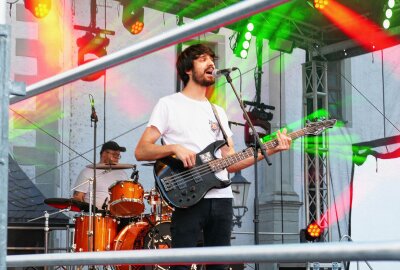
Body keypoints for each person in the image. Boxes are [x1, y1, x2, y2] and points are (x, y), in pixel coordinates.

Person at [134, 44, 292, 270]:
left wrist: (273, 147)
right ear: (188, 69)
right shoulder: (168, 104)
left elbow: (232, 161)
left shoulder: (218, 111)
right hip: (188, 195)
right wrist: (174, 148)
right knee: (181, 266)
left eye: (212, 59)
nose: (211, 63)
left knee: (218, 266)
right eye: (202, 59)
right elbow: (142, 150)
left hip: (222, 199)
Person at [73, 140, 128, 210]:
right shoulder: (88, 172)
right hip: (94, 216)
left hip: (116, 217)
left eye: (118, 155)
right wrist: (88, 213)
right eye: (114, 154)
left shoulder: (122, 173)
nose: (116, 157)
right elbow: (78, 197)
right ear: (104, 154)